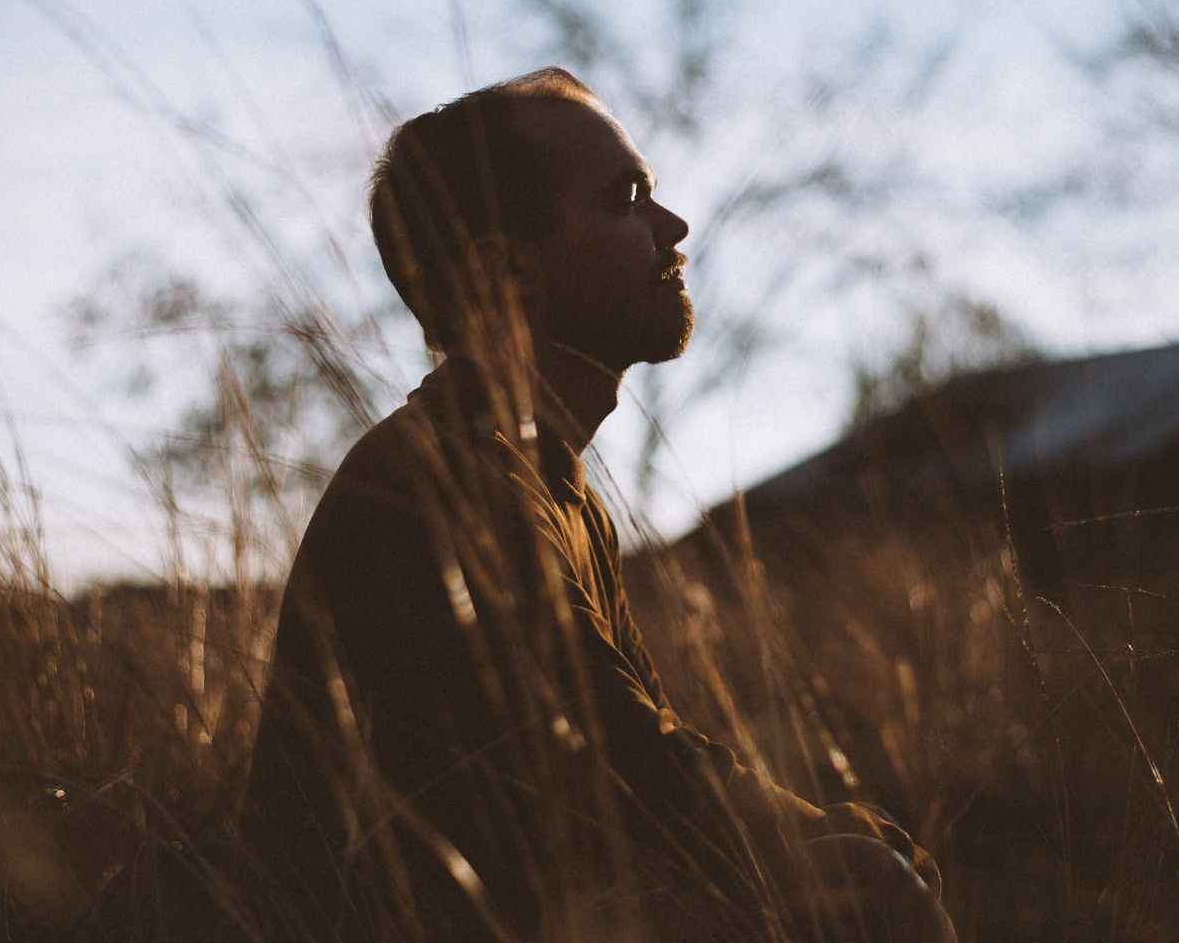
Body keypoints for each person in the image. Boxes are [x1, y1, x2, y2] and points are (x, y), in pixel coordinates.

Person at [240, 68, 954, 942]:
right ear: (509, 267)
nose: (673, 228)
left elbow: (635, 755)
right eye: (627, 198)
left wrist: (824, 837)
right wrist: (816, 847)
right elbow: (618, 766)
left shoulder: (552, 483)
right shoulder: (450, 483)